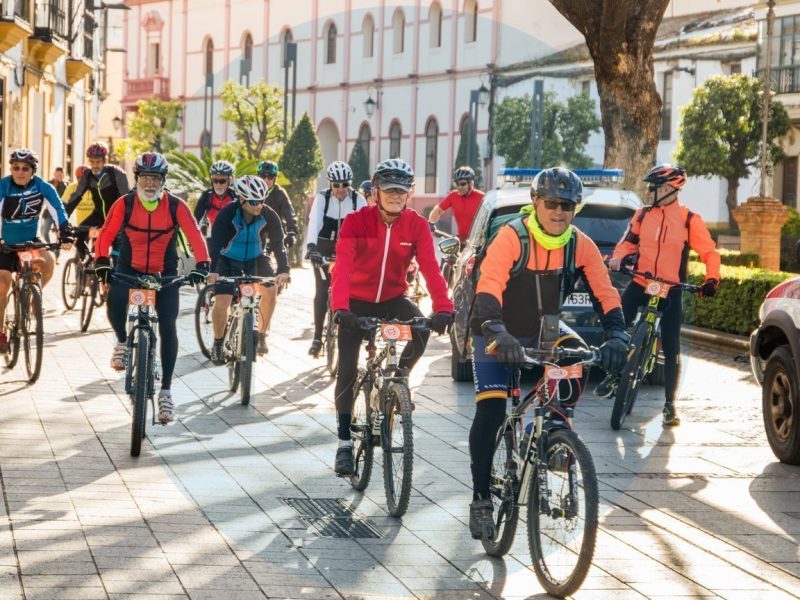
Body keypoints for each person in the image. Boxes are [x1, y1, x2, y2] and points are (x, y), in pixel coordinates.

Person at [467, 167, 630, 541]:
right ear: (535, 203)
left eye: (568, 206)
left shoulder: (580, 244)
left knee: (577, 354)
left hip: (545, 331)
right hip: (495, 327)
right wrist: (497, 332)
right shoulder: (511, 237)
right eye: (552, 204)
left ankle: (557, 427)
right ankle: (480, 500)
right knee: (491, 409)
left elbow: (605, 293)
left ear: (576, 208)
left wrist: (617, 334)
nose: (559, 212)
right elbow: (489, 287)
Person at [330, 158, 454, 475]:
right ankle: (344, 443)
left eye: (402, 190)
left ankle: (399, 378)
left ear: (408, 193)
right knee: (346, 368)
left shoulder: (416, 225)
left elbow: (430, 268)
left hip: (393, 299)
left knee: (421, 329)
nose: (396, 196)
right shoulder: (356, 222)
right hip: (356, 303)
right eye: (390, 190)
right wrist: (340, 309)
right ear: (376, 191)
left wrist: (443, 308)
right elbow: (342, 268)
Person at [600, 164, 721, 427]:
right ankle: (612, 375)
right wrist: (617, 259)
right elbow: (628, 242)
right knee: (617, 323)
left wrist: (712, 279)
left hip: (671, 289)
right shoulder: (642, 215)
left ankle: (669, 405)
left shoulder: (689, 220)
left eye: (652, 187)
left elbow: (710, 253)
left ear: (667, 189)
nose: (648, 191)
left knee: (672, 346)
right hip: (642, 282)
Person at [93, 152, 209, 425]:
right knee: (115, 299)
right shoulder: (125, 204)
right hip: (128, 267)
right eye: (145, 177)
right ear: (137, 179)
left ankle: (166, 391)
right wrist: (100, 260)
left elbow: (194, 234)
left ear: (163, 180)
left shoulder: (175, 206)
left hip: (164, 271)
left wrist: (202, 264)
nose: (149, 183)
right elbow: (106, 234)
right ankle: (122, 341)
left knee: (168, 324)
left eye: (155, 178)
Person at [207, 175, 291, 362]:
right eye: (253, 201)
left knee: (271, 289)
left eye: (261, 200)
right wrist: (213, 269)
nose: (258, 205)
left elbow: (278, 244)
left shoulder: (269, 214)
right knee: (222, 300)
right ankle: (218, 342)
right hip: (228, 259)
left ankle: (261, 335)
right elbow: (215, 244)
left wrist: (284, 270)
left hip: (256, 257)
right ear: (242, 199)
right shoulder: (228, 213)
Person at [0, 149, 72, 353]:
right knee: (2, 282)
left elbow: (58, 209)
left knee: (48, 262)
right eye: (16, 168)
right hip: (5, 243)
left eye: (25, 168)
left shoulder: (43, 187)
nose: (20, 172)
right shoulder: (3, 186)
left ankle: (33, 298)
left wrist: (65, 232)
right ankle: (0, 332)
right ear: (11, 169)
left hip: (31, 242)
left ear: (33, 170)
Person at [305, 161, 367, 357]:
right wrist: (311, 248)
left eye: (345, 185)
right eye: (336, 185)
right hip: (323, 246)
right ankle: (316, 337)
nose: (341, 190)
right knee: (322, 291)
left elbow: (367, 229)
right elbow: (314, 223)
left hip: (348, 249)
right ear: (330, 184)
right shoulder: (322, 198)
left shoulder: (359, 200)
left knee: (353, 289)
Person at [65, 142, 130, 260]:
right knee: (79, 235)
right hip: (98, 215)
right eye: (92, 162)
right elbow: (76, 197)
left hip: (116, 216)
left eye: (98, 162)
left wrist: (125, 223)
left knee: (117, 252)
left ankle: (113, 272)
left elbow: (127, 200)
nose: (95, 165)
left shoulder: (117, 174)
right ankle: (84, 263)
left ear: (105, 160)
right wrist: (63, 219)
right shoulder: (87, 176)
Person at [428, 166, 485, 243]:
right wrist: (431, 223)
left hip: (477, 243)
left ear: (471, 183)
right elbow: (438, 210)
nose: (459, 187)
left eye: (463, 184)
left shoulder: (482, 197)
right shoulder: (453, 196)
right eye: (457, 184)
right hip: (460, 241)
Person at [194, 160, 237, 243]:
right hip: (212, 238)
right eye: (215, 180)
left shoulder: (236, 196)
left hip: (232, 239)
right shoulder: (207, 195)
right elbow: (196, 219)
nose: (218, 185)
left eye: (222, 181)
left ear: (230, 180)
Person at [41, 167, 67, 245]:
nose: (59, 176)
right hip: (48, 213)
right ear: (54, 174)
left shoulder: (65, 186)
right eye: (57, 175)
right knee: (44, 232)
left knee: (59, 234)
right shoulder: (48, 184)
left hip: (59, 213)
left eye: (60, 175)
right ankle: (48, 246)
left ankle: (56, 252)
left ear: (63, 175)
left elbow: (65, 200)